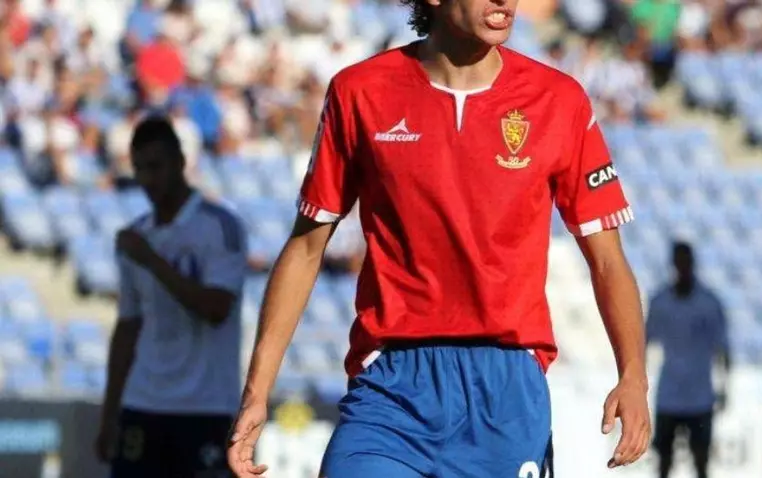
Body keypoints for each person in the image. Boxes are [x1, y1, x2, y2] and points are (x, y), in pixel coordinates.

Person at [227, 0, 652, 476]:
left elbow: (608, 260)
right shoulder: (360, 91)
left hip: (505, 391)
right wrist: (257, 391)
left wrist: (633, 376)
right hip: (390, 384)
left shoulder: (559, 99)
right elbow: (307, 247)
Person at [95, 116, 248, 477]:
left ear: (180, 162)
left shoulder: (220, 226)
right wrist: (109, 413)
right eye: (140, 169)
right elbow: (128, 327)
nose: (148, 179)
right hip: (142, 403)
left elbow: (216, 308)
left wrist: (152, 260)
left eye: (156, 167)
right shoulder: (136, 236)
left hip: (205, 406)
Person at [646, 241, 731, 478]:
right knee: (663, 460)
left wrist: (725, 386)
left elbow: (723, 348)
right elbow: (644, 341)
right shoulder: (660, 302)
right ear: (673, 264)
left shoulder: (708, 303)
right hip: (669, 392)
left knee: (701, 459)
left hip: (699, 394)